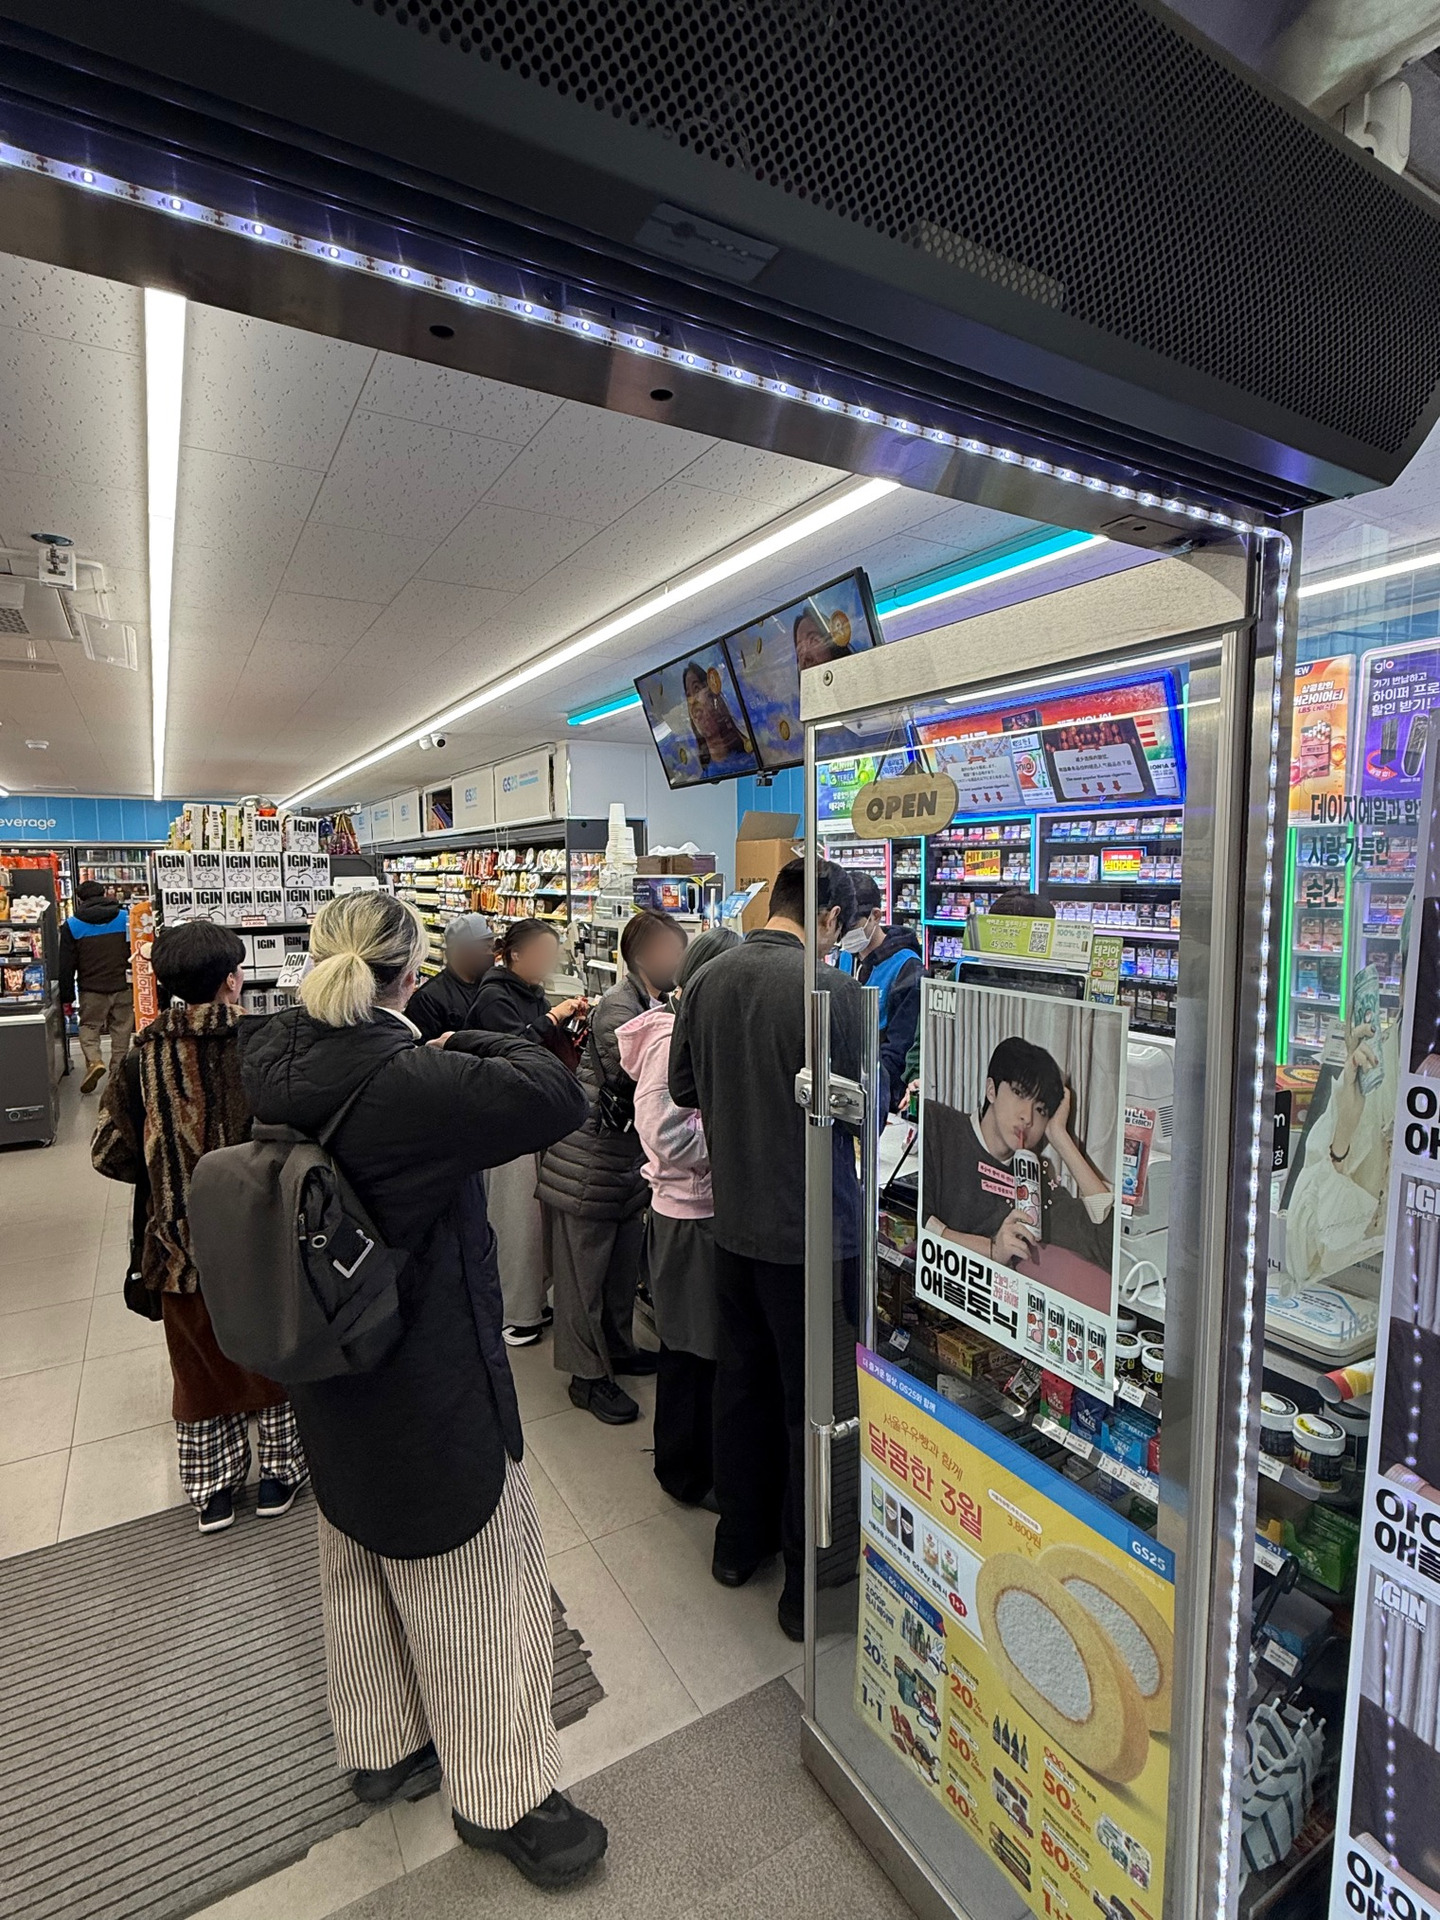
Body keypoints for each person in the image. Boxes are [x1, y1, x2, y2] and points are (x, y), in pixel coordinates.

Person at [236, 891, 606, 1888]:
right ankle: (507, 1796)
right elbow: (550, 1091)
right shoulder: (413, 1081)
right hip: (429, 1372)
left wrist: (423, 1029)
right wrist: (464, 1025)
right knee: (480, 1586)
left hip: (323, 1361)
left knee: (354, 1557)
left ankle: (383, 1742)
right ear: (408, 975)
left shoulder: (268, 1051)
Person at [669, 857, 867, 1641]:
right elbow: (859, 1110)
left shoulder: (711, 977)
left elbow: (685, 1089)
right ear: (826, 920)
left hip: (734, 1222)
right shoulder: (835, 992)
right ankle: (808, 1582)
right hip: (815, 1234)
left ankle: (735, 1545)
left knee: (742, 1384)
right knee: (815, 1409)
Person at [92, 920, 306, 1533]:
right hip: (263, 1243)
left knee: (198, 1367)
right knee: (272, 1358)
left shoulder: (138, 1060)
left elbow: (109, 1154)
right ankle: (279, 1475)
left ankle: (213, 1490)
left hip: (178, 1250)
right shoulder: (267, 1046)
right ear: (233, 979)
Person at [538, 907, 689, 1425]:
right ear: (645, 956)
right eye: (674, 949)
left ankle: (618, 1348)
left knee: (621, 1266)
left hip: (623, 1165)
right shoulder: (620, 1011)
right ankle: (587, 1376)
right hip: (589, 1163)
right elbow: (644, 1079)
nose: (681, 959)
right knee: (583, 1276)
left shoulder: (658, 1000)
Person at [616, 926, 740, 1505]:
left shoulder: (699, 1029)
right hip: (687, 1215)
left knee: (700, 1346)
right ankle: (686, 1471)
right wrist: (739, 1137)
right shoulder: (671, 1040)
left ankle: (697, 1462)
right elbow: (664, 1133)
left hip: (702, 1212)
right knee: (691, 1350)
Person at [468, 919, 589, 1345]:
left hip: (530, 1116)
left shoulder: (529, 993)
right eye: (540, 951)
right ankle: (515, 1311)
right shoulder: (495, 995)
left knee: (536, 1220)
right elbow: (511, 1047)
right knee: (515, 1218)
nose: (548, 961)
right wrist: (553, 1018)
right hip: (505, 1124)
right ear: (514, 954)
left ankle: (533, 1298)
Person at [922, 1036, 1114, 1280]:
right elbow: (915, 1224)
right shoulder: (938, 1125)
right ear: (991, 1089)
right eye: (1019, 1093)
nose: (1028, 1117)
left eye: (1041, 1109)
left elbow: (1109, 1245)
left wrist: (1060, 1137)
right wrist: (992, 1250)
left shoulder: (1035, 1183)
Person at [836, 874, 922, 1108]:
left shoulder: (906, 967)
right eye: (839, 927)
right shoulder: (845, 957)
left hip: (883, 1094)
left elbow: (899, 1050)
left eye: (851, 927)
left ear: (875, 916)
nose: (843, 936)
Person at [60, 878, 134, 1092]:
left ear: (80, 899)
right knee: (121, 1029)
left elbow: (66, 964)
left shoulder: (73, 925)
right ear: (104, 894)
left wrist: (67, 996)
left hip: (92, 989)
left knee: (90, 1026)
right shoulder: (125, 918)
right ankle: (117, 1073)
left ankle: (94, 1061)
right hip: (123, 985)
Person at [404, 912, 494, 1041]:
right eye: (485, 948)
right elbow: (424, 1053)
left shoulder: (490, 984)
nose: (492, 954)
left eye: (493, 947)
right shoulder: (428, 999)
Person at [683, 660, 754, 779]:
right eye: (688, 695)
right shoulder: (704, 778)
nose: (692, 701)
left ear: (714, 697)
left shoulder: (751, 763)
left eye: (697, 689)